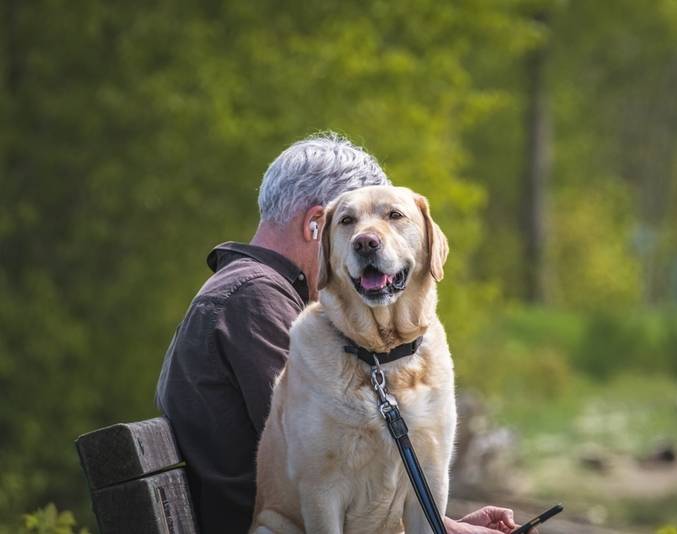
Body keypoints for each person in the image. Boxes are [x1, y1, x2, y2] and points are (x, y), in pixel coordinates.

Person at [155, 133, 520, 534]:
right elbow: (323, 463)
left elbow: (358, 470)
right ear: (317, 226)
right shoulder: (255, 300)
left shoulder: (251, 291)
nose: (368, 243)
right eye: (349, 224)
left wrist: (441, 524)